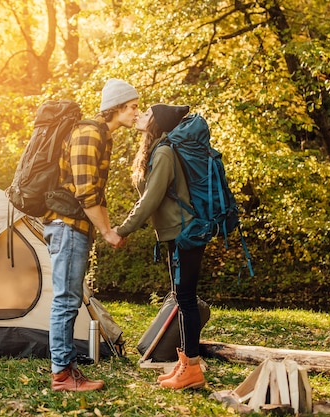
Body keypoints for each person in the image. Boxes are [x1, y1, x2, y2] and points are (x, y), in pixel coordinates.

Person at [44, 78, 139, 392]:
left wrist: (108, 229)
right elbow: (86, 193)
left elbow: (98, 193)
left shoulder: (103, 136)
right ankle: (62, 375)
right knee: (66, 301)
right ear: (117, 108)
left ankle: (67, 369)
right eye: (133, 107)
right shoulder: (89, 134)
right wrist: (108, 232)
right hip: (67, 225)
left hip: (76, 227)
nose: (137, 112)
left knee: (68, 299)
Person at [114, 104, 207, 390]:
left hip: (185, 233)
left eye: (146, 113)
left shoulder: (165, 152)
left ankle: (192, 368)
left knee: (187, 300)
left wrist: (122, 229)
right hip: (175, 234)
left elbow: (151, 199)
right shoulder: (157, 149)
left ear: (158, 122)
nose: (139, 115)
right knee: (180, 299)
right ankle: (184, 364)